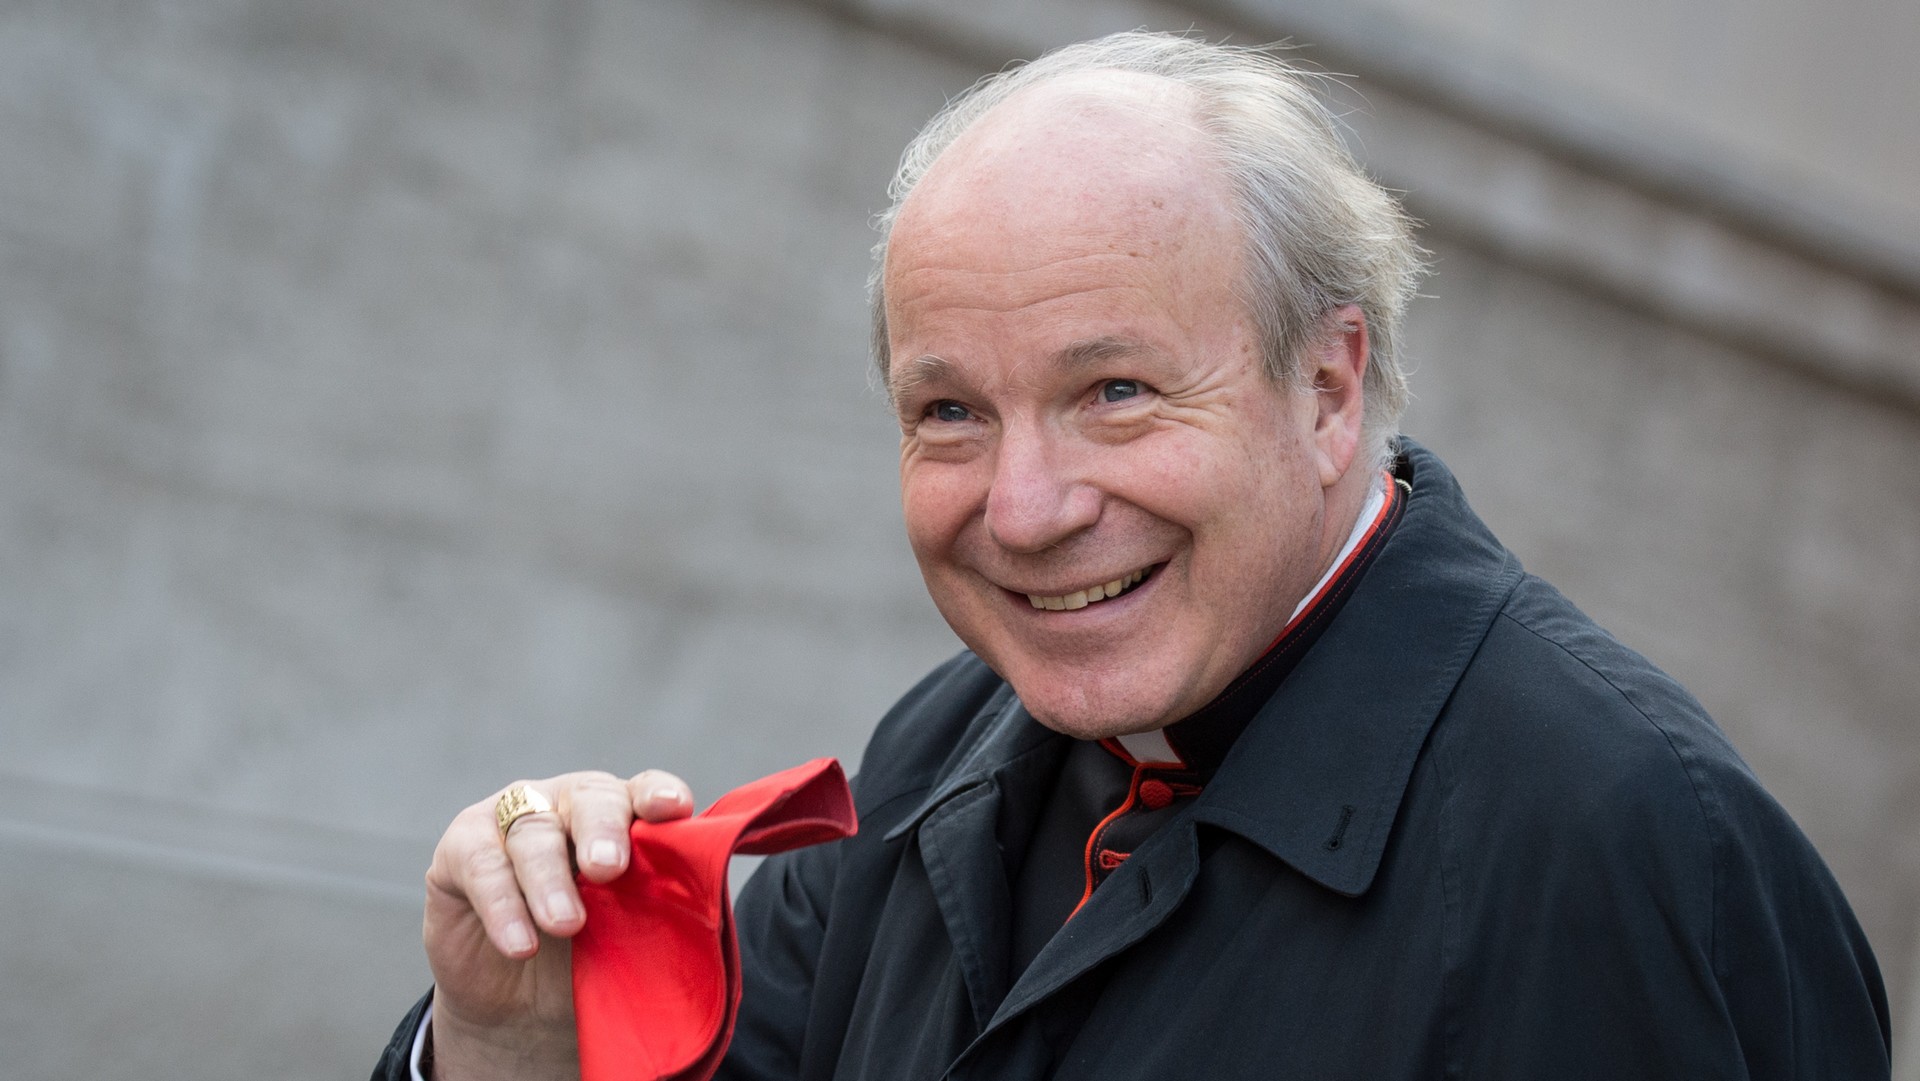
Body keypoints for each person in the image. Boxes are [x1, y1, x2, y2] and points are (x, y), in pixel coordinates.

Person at [375, 31, 1891, 1081]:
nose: (1026, 508)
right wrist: (510, 1034)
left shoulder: (1630, 844)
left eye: (1117, 391)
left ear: (1328, 387)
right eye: (952, 411)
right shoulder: (940, 750)